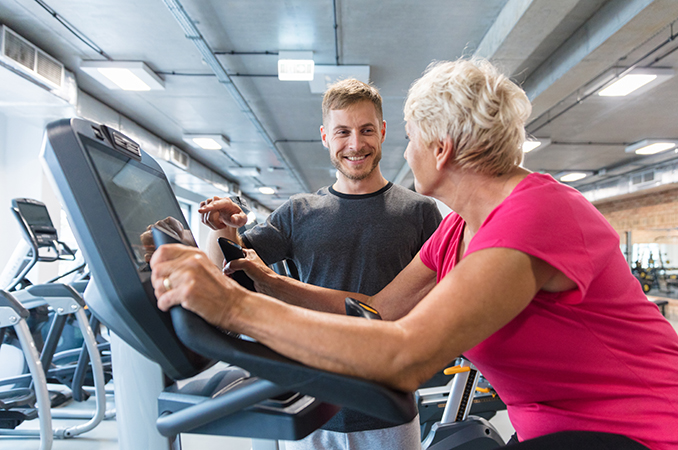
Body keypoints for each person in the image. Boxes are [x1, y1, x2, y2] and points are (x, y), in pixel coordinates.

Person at [151, 58, 678, 449]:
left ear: (440, 147)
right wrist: (267, 281)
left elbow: (405, 355)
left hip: (635, 431)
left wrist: (233, 307)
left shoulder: (536, 215)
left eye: (409, 138)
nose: (404, 152)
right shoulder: (457, 231)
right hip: (553, 428)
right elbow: (377, 310)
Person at [197, 78, 442, 449]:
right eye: (343, 131)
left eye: (366, 130)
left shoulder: (419, 212)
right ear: (326, 136)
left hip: (388, 409)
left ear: (383, 132)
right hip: (309, 407)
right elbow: (227, 270)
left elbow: (433, 304)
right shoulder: (299, 212)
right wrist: (223, 230)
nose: (355, 144)